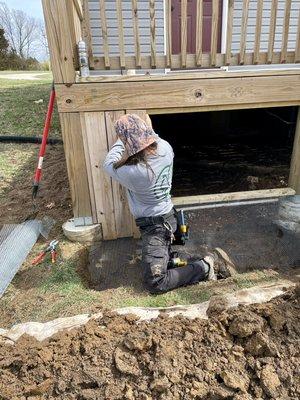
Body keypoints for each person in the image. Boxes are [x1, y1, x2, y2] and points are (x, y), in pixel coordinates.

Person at [103, 114, 236, 294]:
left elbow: (108, 163)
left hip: (155, 228)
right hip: (168, 218)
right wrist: (143, 129)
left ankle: (205, 268)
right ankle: (187, 260)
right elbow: (153, 137)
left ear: (128, 141)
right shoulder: (165, 148)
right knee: (163, 260)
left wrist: (121, 140)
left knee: (156, 281)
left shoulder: (135, 173)